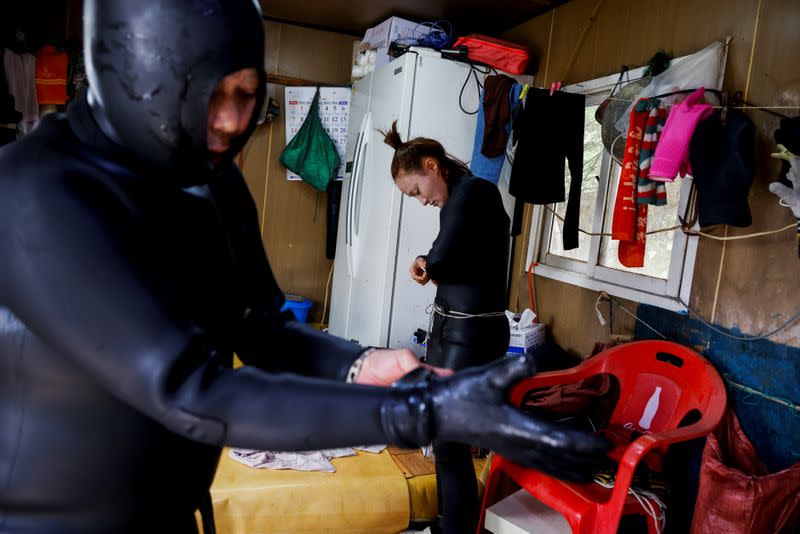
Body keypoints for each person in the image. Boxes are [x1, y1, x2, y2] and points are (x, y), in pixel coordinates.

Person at [0, 1, 609, 532]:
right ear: (127, 74)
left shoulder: (209, 183)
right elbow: (188, 391)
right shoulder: (39, 192)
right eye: (212, 96)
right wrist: (419, 412)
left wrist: (360, 363)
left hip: (167, 507)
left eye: (247, 95)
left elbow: (262, 328)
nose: (233, 123)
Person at [384, 121, 514, 534]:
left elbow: (444, 255)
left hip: (473, 335)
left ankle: (454, 530)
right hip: (452, 328)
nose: (420, 201)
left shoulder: (474, 192)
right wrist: (430, 262)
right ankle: (447, 526)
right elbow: (454, 255)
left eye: (417, 191)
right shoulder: (457, 199)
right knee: (444, 440)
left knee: (450, 439)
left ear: (431, 165)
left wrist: (428, 264)